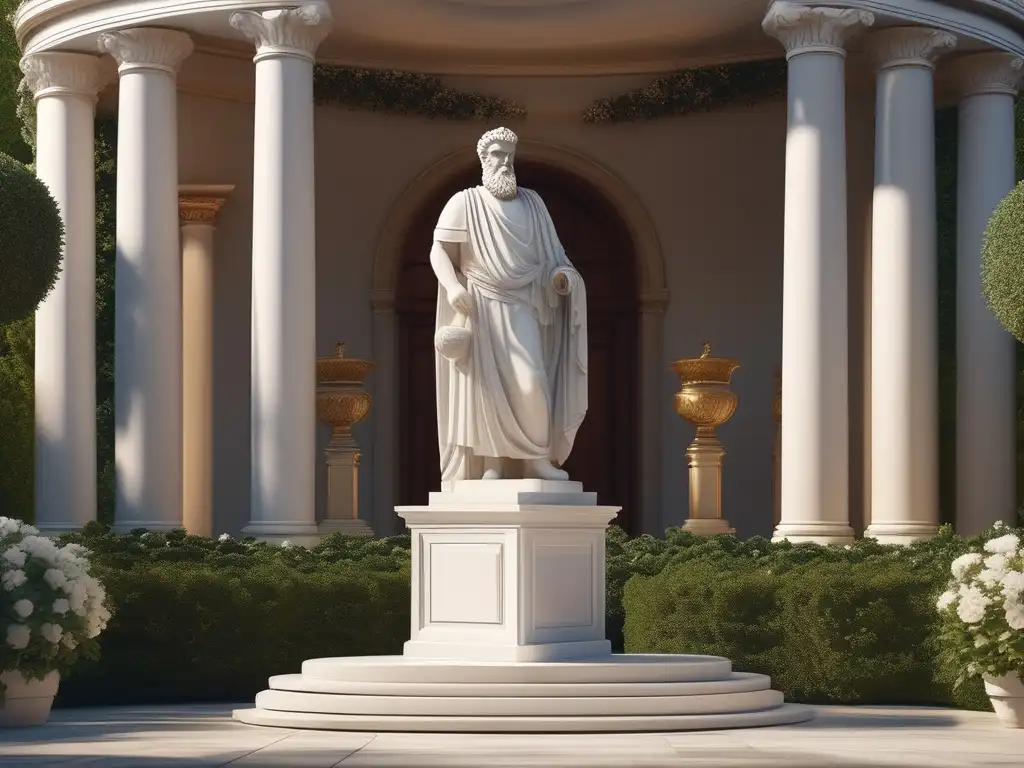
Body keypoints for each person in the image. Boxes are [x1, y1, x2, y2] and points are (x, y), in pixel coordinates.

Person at [429, 127, 588, 484]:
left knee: (532, 382)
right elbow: (439, 249)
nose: (505, 162)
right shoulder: (465, 202)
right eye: (497, 155)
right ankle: (492, 465)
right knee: (484, 386)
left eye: (509, 156)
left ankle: (535, 461)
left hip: (524, 305)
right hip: (481, 305)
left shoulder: (533, 204)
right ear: (484, 159)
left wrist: (562, 278)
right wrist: (453, 287)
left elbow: (554, 257)